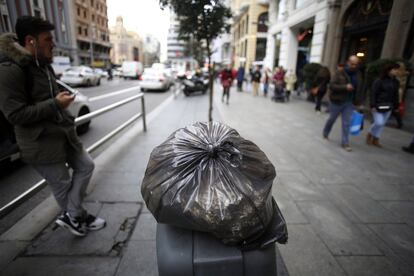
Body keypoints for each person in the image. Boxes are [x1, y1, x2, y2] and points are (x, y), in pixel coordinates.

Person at [0, 16, 106, 236]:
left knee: (86, 166)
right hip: (40, 143)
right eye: (48, 39)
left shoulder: (41, 62)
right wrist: (55, 103)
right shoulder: (10, 70)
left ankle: (73, 216)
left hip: (62, 133)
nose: (53, 44)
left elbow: (47, 94)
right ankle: (78, 216)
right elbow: (15, 114)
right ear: (31, 41)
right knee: (63, 186)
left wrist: (59, 99)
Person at [323, 56, 362, 152]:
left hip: (349, 102)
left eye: (356, 64)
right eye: (352, 64)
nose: (354, 66)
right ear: (348, 62)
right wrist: (345, 87)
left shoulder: (358, 74)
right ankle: (326, 131)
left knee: (346, 123)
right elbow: (332, 85)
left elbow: (360, 88)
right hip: (337, 101)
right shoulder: (339, 72)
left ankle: (345, 142)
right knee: (332, 118)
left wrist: (358, 101)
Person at [366, 63, 400, 147]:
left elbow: (396, 95)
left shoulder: (396, 82)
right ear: (389, 70)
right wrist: (372, 105)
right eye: (395, 69)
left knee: (382, 123)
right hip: (378, 105)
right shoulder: (379, 80)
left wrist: (396, 106)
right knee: (379, 122)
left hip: (389, 105)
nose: (396, 71)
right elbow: (373, 93)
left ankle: (376, 139)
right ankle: (370, 134)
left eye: (397, 70)